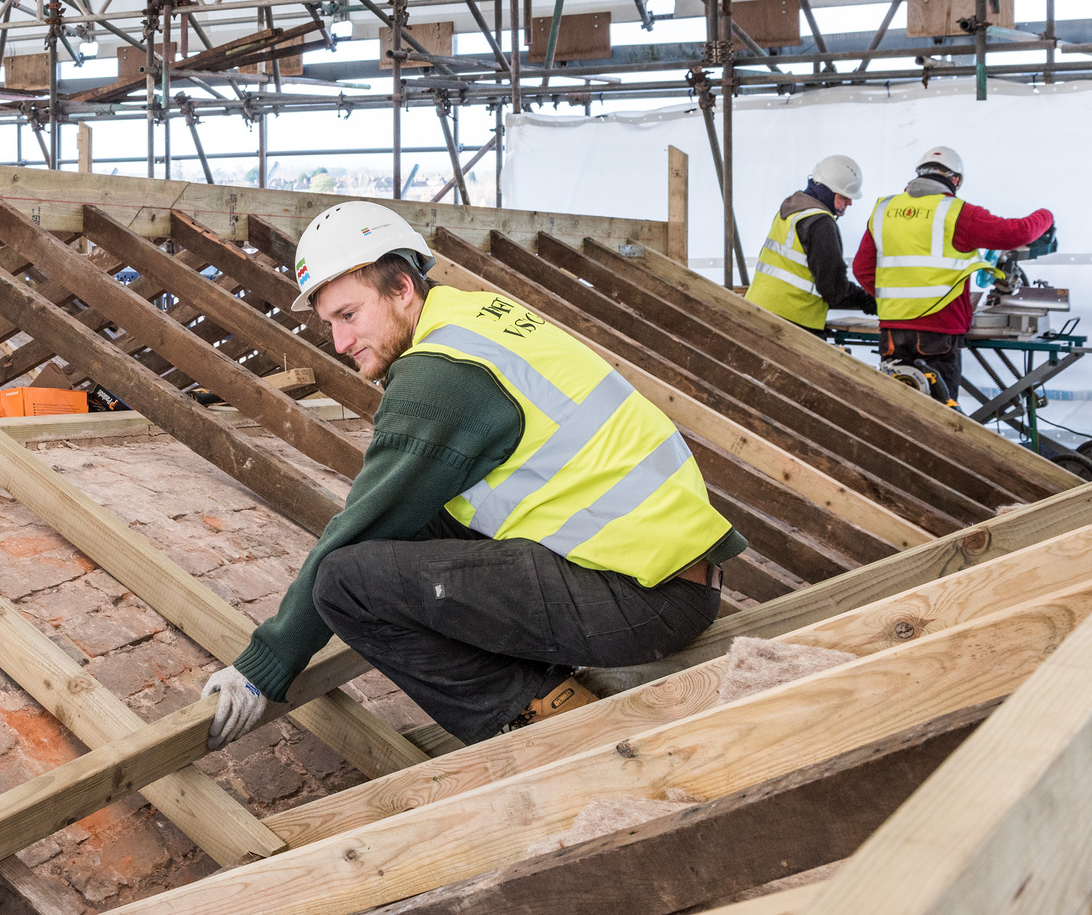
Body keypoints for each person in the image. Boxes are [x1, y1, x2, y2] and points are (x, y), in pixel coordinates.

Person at [197, 202, 747, 749]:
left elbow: (362, 526)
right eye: (330, 324)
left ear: (402, 289)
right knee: (420, 527)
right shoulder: (476, 319)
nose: (340, 344)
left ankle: (536, 717)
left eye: (349, 314)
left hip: (640, 599)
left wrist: (263, 667)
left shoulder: (443, 376)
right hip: (666, 576)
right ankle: (544, 689)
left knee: (346, 583)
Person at [853, 146, 1054, 407]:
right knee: (940, 414)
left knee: (896, 407)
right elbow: (1017, 232)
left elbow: (862, 269)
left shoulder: (884, 210)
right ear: (955, 180)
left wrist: (896, 300)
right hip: (939, 330)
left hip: (894, 329)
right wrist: (1046, 216)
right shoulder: (957, 213)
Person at [746, 154, 878, 332]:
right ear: (828, 192)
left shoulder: (793, 210)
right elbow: (833, 289)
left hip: (759, 309)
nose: (850, 202)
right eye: (844, 196)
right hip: (792, 319)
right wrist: (869, 301)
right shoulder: (820, 223)